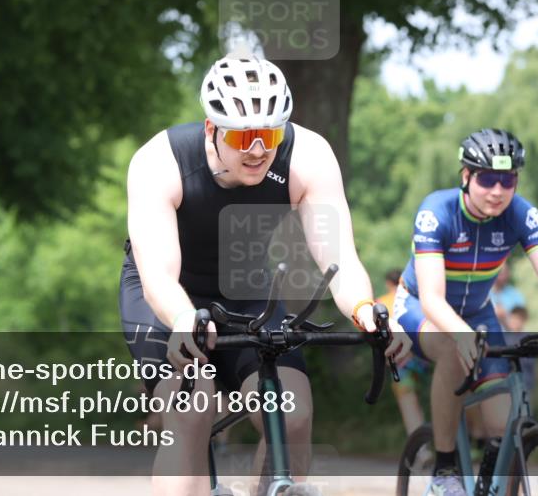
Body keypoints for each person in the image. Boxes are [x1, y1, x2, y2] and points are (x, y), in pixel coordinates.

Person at [119, 54, 412, 496]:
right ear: (211, 128)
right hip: (165, 296)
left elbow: (339, 258)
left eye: (270, 134)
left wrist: (364, 310)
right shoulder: (160, 162)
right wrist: (184, 319)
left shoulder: (308, 156)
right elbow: (159, 274)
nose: (258, 149)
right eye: (243, 136)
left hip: (245, 289)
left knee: (292, 416)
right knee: (191, 410)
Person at [393, 128, 538, 496]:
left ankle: (490, 481)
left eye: (508, 180)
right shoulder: (437, 212)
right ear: (466, 176)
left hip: (478, 313)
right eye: (487, 179)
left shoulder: (521, 214)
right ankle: (444, 470)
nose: (498, 191)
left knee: (505, 427)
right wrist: (461, 335)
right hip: (419, 307)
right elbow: (433, 299)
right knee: (452, 352)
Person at [378, 269, 429, 435]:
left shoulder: (381, 304)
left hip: (399, 360)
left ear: (388, 284)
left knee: (408, 401)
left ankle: (419, 444)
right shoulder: (416, 300)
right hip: (423, 355)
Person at [503, 306, 535, 394]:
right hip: (507, 383)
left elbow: (529, 361)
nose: (513, 322)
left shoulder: (528, 339)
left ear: (523, 321)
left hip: (525, 383)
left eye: (516, 320)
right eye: (511, 319)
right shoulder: (505, 337)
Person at [489, 265, 526, 330]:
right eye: (501, 273)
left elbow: (518, 327)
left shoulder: (515, 295)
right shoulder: (484, 293)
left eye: (506, 273)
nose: (504, 276)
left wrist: (504, 319)